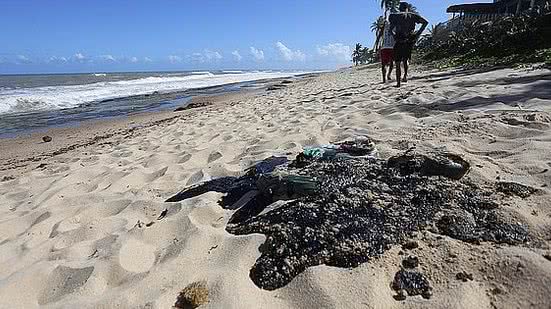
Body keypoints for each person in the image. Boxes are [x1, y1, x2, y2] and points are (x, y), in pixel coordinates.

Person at [389, 2, 428, 87]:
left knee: (398, 63)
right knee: (406, 59)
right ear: (408, 8)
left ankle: (398, 83)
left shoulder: (395, 16)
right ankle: (405, 76)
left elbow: (390, 30)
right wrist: (417, 33)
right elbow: (425, 22)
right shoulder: (413, 16)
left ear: (399, 8)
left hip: (399, 40)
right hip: (409, 40)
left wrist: (394, 35)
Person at [379, 18, 395, 83]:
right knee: (391, 63)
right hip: (392, 47)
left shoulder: (384, 26)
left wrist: (377, 46)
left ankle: (384, 79)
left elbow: (379, 37)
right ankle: (388, 75)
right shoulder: (396, 25)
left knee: (383, 64)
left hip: (384, 47)